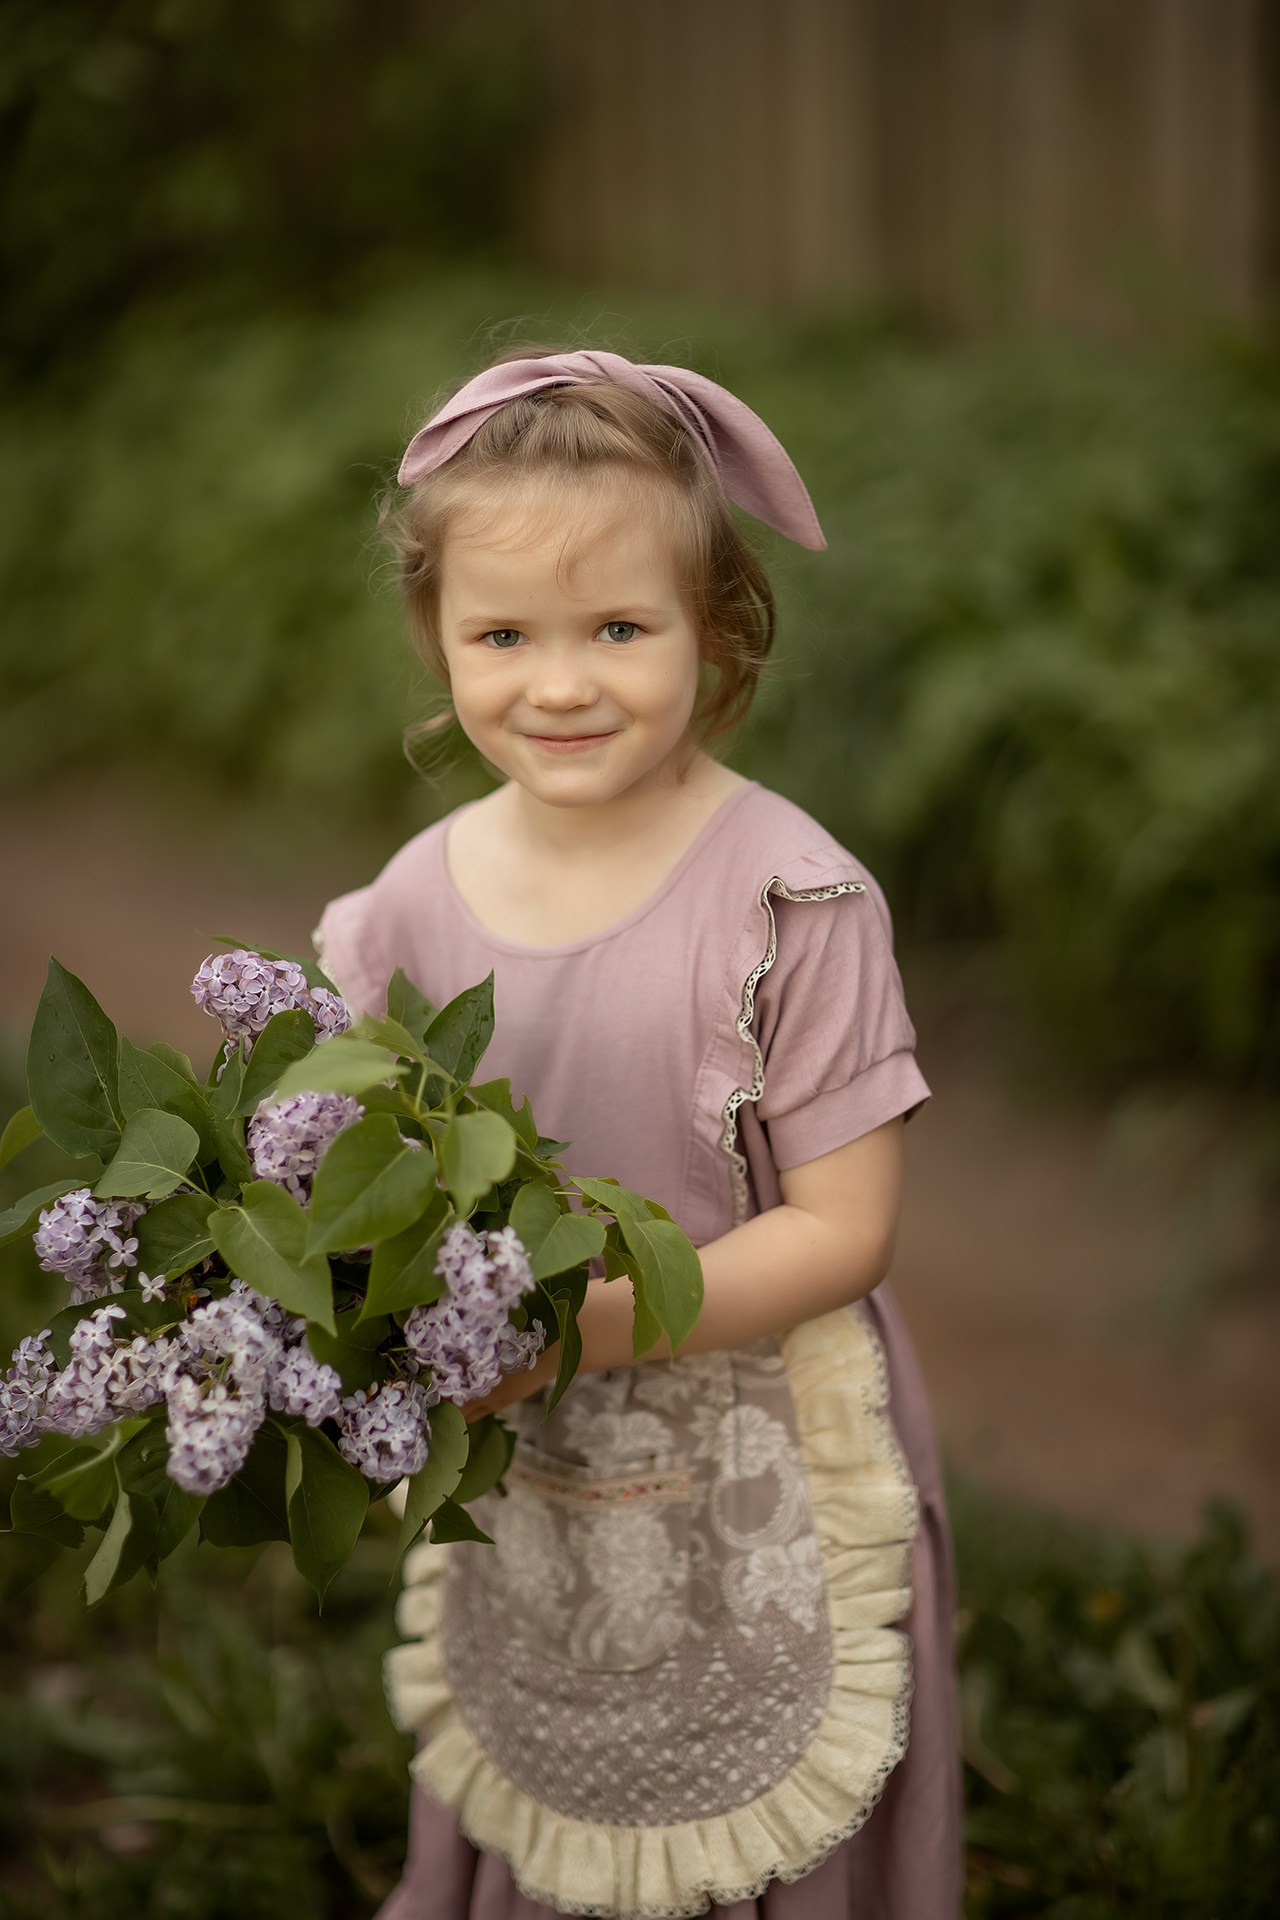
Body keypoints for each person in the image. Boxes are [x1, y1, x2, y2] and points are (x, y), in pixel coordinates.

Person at [315, 347, 962, 1920]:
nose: (560, 682)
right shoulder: (406, 905)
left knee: (756, 1793)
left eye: (619, 627)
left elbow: (842, 1227)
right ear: (438, 637)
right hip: (530, 1449)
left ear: (716, 629)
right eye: (503, 635)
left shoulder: (787, 900)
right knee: (549, 1741)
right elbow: (347, 1176)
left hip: (756, 1449)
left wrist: (583, 1330)